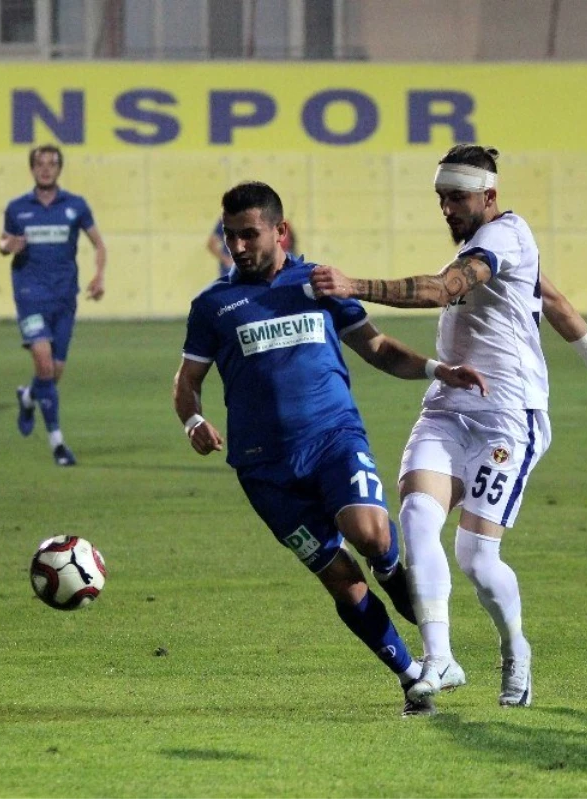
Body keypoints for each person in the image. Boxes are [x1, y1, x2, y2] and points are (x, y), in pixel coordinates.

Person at [310, 144, 587, 710]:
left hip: (508, 419)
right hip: (448, 404)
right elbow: (553, 297)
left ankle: (516, 648)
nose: (447, 208)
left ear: (489, 197)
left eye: (457, 198)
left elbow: (445, 289)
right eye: (441, 198)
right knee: (417, 515)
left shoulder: (502, 238)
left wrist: (355, 285)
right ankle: (438, 658)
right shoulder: (485, 243)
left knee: (476, 558)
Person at [174, 181, 489, 717]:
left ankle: (390, 570)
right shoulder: (213, 306)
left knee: (368, 533)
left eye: (249, 235)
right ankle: (412, 676)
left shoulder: (319, 283)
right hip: (263, 470)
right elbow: (187, 383)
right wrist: (194, 421)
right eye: (230, 237)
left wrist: (439, 371)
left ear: (280, 231)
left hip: (332, 439)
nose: (239, 247)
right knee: (339, 579)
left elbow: (378, 348)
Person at [0, 144, 107, 466]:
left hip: (64, 298)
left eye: (52, 164)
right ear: (32, 169)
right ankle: (59, 444)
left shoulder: (75, 206)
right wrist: (9, 246)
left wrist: (99, 276)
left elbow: (98, 243)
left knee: (53, 374)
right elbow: (3, 242)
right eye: (40, 164)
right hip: (30, 297)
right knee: (44, 366)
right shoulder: (18, 208)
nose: (45, 169)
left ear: (59, 169)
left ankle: (28, 396)